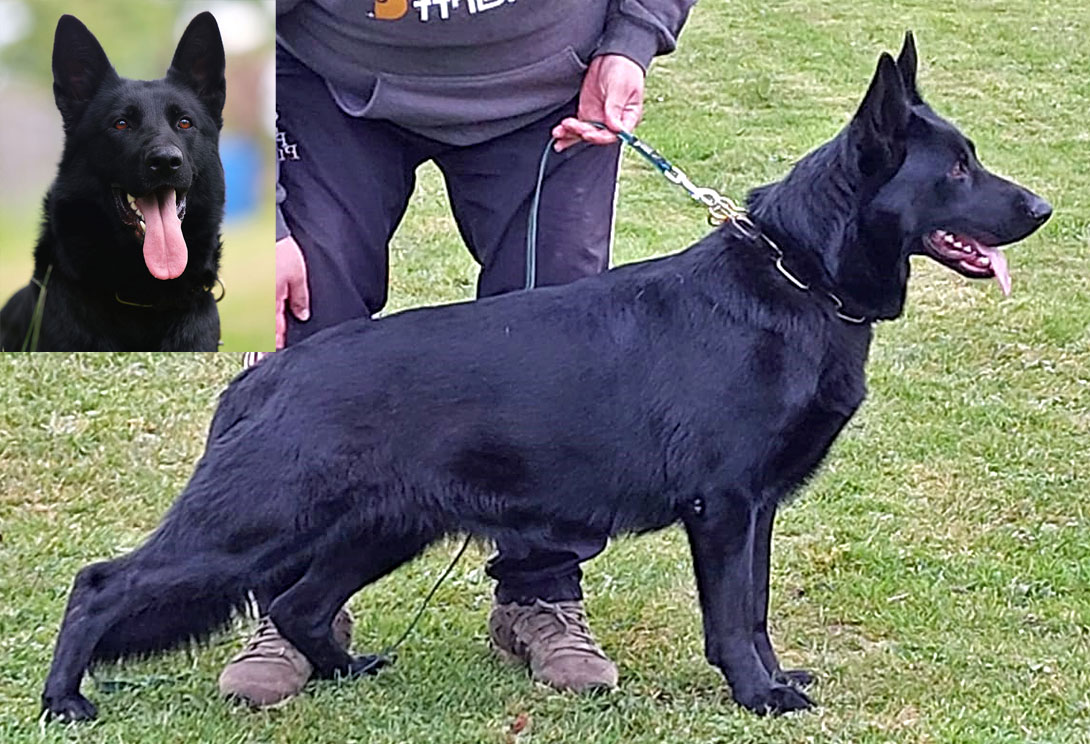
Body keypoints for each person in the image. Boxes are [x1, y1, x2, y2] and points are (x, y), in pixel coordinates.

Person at [221, 0, 695, 708]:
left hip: (546, 91)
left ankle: (540, 591)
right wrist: (257, 221)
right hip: (328, 81)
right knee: (309, 324)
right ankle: (294, 605)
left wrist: (630, 41)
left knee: (559, 358)